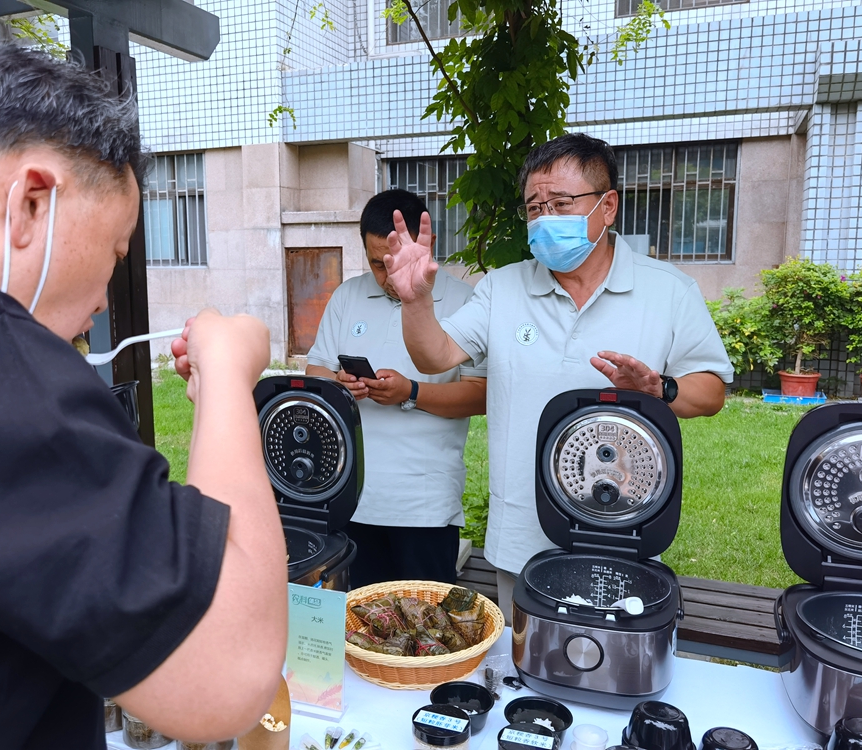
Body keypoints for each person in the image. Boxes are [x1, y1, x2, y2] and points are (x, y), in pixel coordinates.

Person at [0, 43, 287, 747]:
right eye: (116, 251)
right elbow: (228, 670)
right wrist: (226, 376)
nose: (99, 302)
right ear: (32, 201)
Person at [383, 134, 734, 616]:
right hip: (522, 535)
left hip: (623, 531)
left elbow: (711, 392)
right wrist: (416, 301)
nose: (545, 218)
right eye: (534, 207)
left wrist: (661, 389)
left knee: (613, 655)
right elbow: (434, 356)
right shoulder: (502, 288)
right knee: (526, 657)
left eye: (562, 204)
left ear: (608, 206)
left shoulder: (669, 291)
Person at [306, 189, 487, 587]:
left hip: (425, 504)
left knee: (425, 617)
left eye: (396, 262)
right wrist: (338, 385)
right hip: (350, 497)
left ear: (427, 245)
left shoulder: (465, 301)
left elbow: (480, 394)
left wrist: (412, 393)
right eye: (378, 264)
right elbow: (316, 368)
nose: (389, 277)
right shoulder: (347, 296)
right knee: (359, 614)